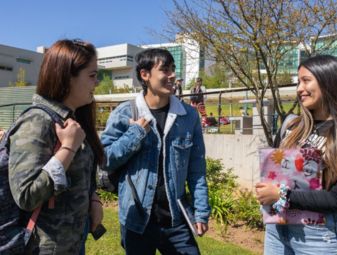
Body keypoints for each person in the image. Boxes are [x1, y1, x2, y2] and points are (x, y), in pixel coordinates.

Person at [255, 55, 337, 254]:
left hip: (319, 238)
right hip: (277, 230)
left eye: (306, 80)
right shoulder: (291, 125)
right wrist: (265, 189)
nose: (300, 88)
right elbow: (273, 171)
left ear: (328, 81)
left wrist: (283, 195)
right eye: (298, 81)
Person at [101, 48, 210, 255]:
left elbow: (197, 170)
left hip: (176, 219)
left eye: (173, 70)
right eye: (165, 70)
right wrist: (135, 133)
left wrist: (201, 211)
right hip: (137, 219)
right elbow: (104, 159)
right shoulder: (125, 113)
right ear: (145, 75)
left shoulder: (188, 116)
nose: (172, 76)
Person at [8, 39, 104, 254]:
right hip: (42, 248)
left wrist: (93, 197)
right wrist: (68, 148)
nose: (96, 83)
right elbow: (26, 195)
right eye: (92, 75)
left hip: (72, 243)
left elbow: (80, 175)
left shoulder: (73, 120)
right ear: (67, 77)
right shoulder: (36, 122)